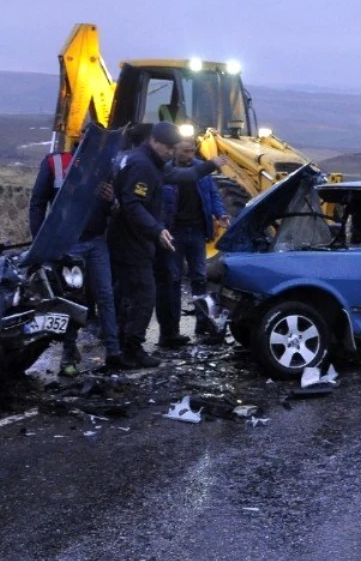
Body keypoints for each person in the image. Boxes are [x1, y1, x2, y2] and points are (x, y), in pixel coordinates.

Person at [108, 122, 223, 367]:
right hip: (132, 240)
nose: (171, 153)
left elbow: (183, 175)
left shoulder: (142, 160)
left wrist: (210, 166)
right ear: (155, 142)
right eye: (169, 148)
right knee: (144, 294)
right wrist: (157, 229)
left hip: (130, 238)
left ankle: (118, 346)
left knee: (127, 293)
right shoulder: (143, 166)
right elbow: (133, 204)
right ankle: (131, 348)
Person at [29, 140, 122, 375]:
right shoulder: (55, 163)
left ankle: (114, 353)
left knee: (105, 296)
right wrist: (40, 242)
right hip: (68, 244)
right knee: (73, 300)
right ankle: (68, 356)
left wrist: (112, 200)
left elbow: (115, 208)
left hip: (96, 241)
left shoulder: (105, 166)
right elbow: (38, 203)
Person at [160, 138, 229, 346]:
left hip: (197, 231)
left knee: (199, 277)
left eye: (192, 151)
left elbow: (213, 195)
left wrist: (221, 214)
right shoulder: (166, 172)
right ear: (175, 151)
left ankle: (202, 322)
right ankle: (171, 331)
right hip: (174, 233)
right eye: (185, 151)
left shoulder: (201, 170)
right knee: (172, 279)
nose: (190, 155)